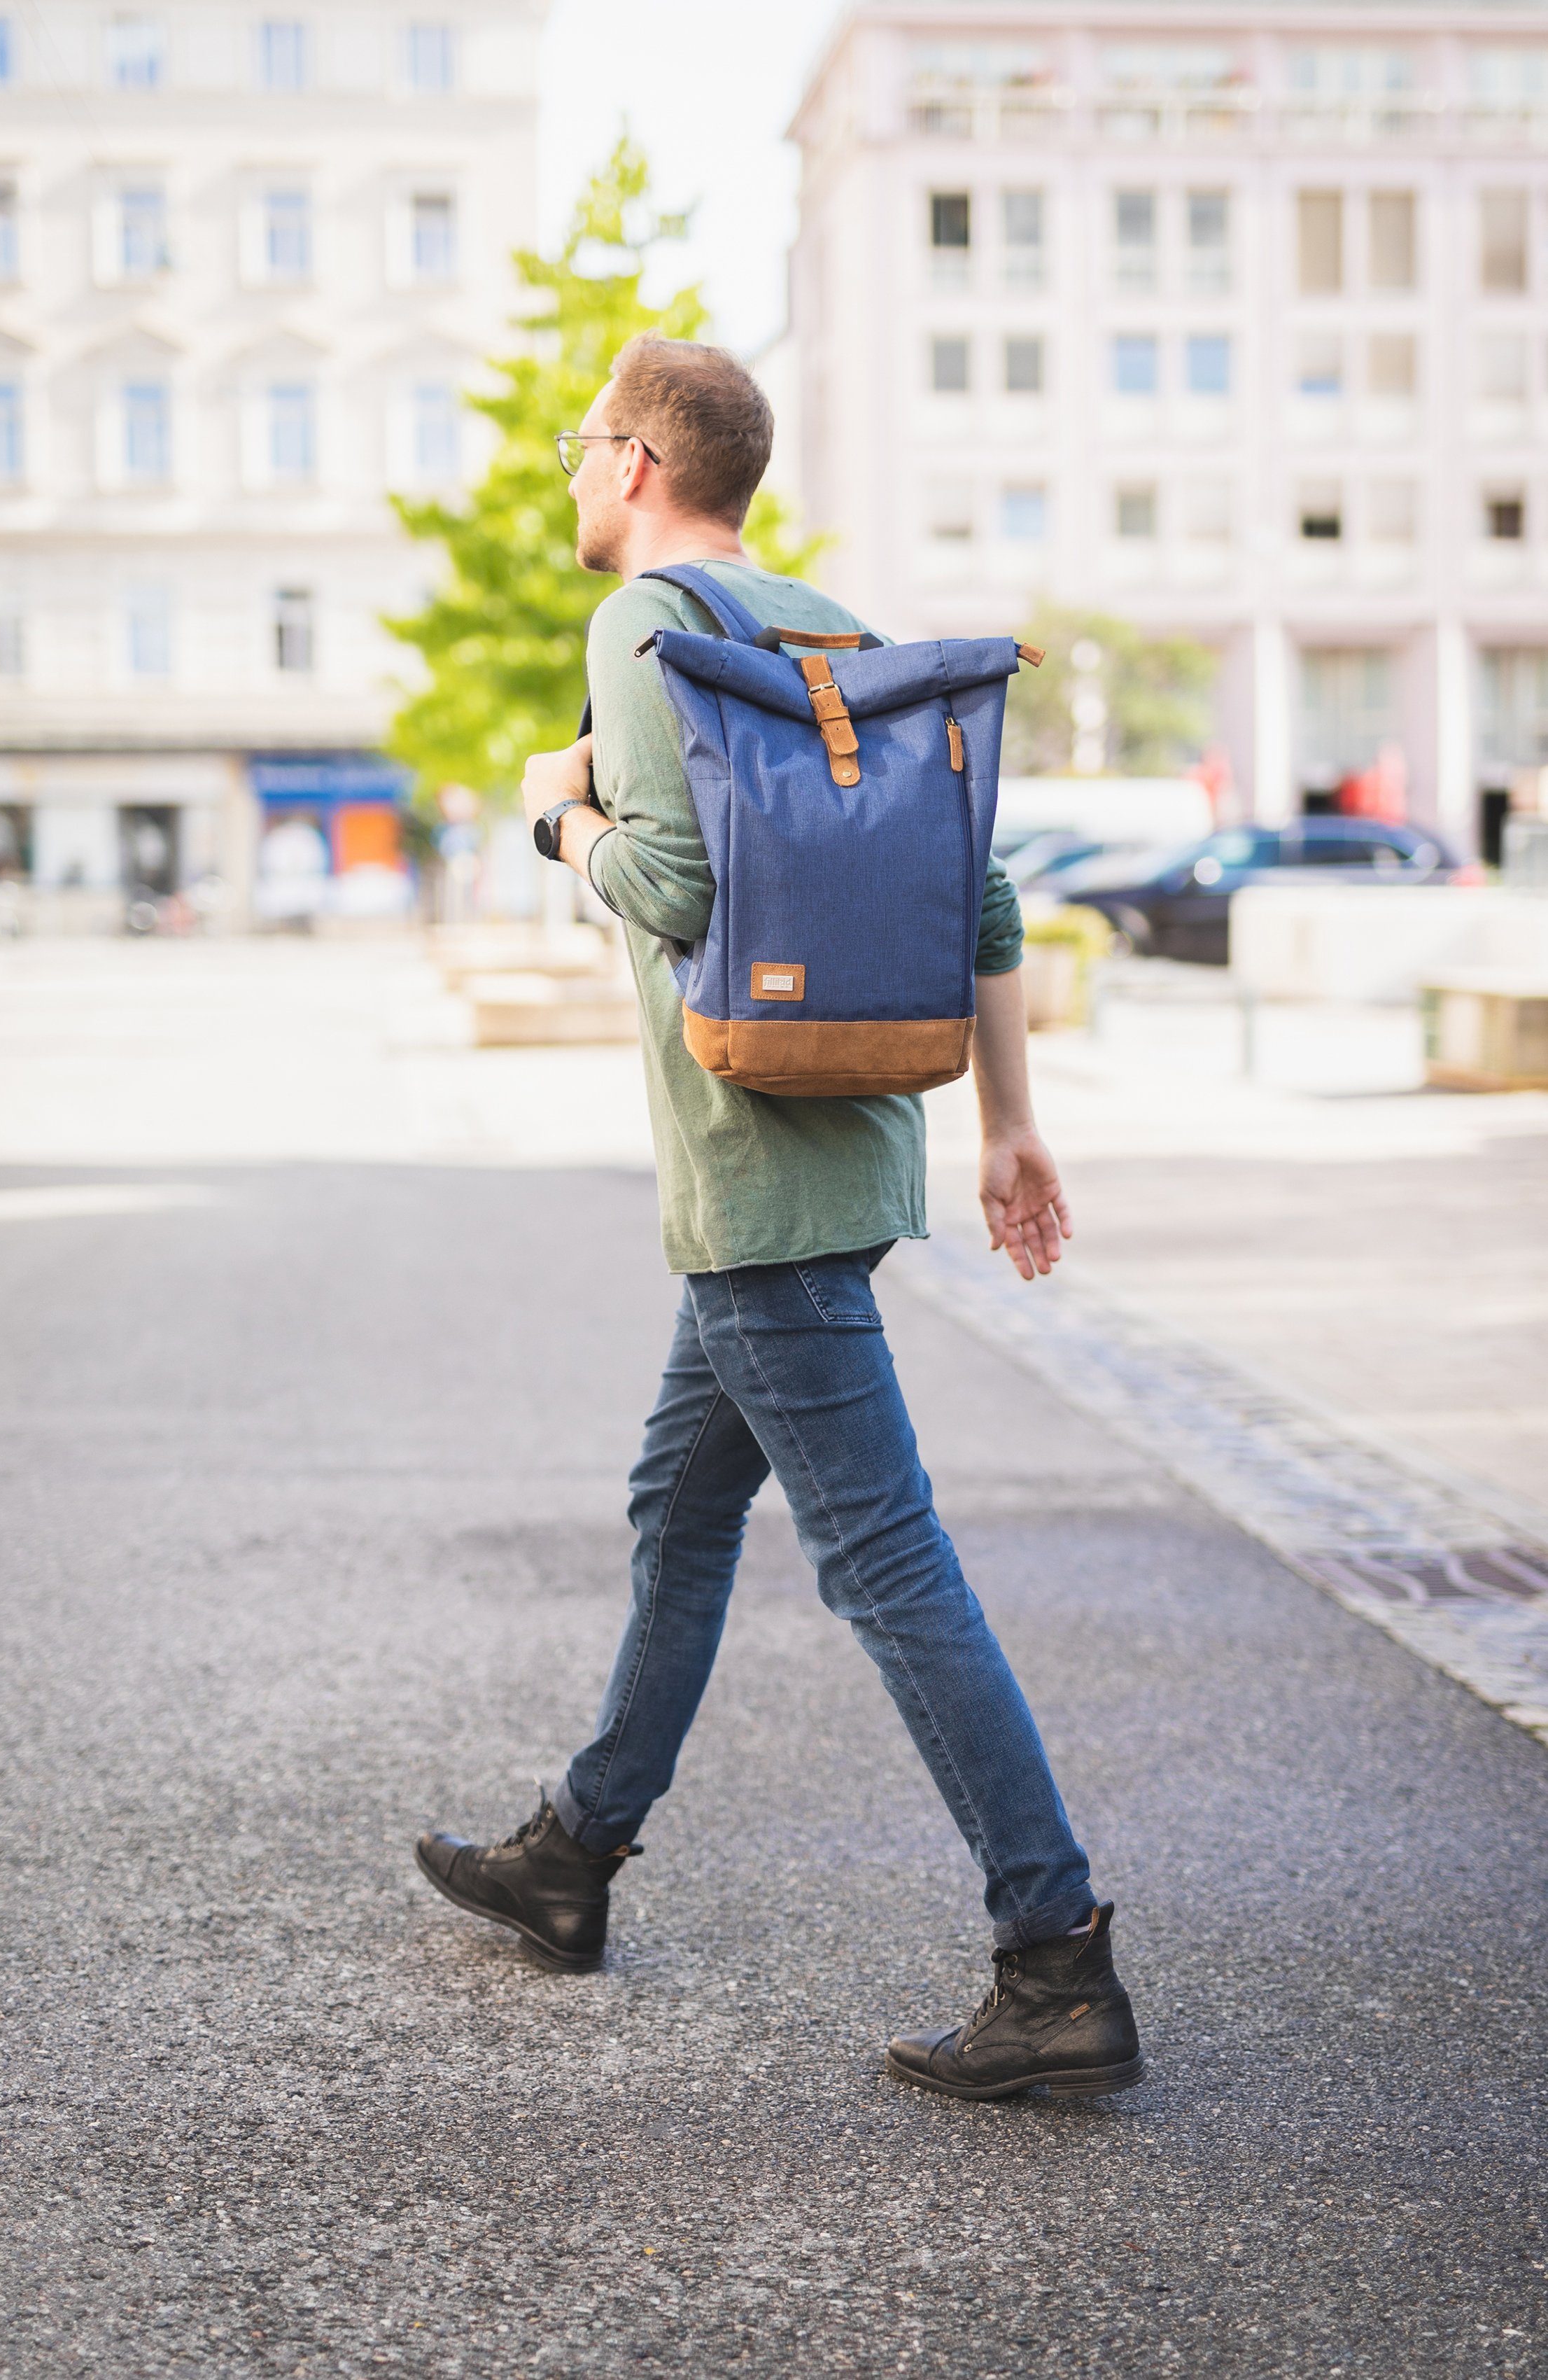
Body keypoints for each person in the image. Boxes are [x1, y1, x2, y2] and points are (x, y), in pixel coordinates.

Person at [416, 336, 1143, 2101]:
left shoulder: (642, 625)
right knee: (682, 1498)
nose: (574, 473)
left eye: (587, 444)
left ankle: (1057, 1961)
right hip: (855, 1150)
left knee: (887, 1564)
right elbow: (970, 888)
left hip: (753, 1175)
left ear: (647, 465)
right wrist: (1009, 1124)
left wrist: (553, 812)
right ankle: (574, 1854)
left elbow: (671, 884)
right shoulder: (827, 617)